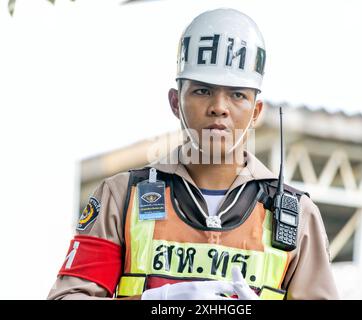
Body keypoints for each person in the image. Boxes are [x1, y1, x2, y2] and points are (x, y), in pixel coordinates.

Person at [47, 8, 339, 300]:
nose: (219, 107)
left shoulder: (296, 216)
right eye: (202, 91)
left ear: (256, 112)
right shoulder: (122, 198)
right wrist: (156, 303)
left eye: (237, 94)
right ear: (175, 102)